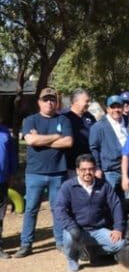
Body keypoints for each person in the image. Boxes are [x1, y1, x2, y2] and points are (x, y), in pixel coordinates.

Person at [15, 87, 73, 257]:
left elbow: (68, 142)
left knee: (58, 209)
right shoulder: (30, 120)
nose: (49, 102)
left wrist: (42, 140)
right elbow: (31, 139)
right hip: (35, 173)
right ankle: (26, 244)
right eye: (46, 99)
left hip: (58, 173)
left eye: (52, 99)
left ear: (56, 102)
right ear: (39, 102)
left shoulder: (64, 119)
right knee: (31, 209)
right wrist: (56, 135)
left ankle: (60, 242)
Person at [53, 154, 124, 272]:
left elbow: (116, 205)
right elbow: (59, 209)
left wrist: (118, 228)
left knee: (120, 244)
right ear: (77, 171)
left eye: (91, 169)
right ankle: (72, 258)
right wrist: (71, 227)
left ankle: (93, 250)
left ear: (95, 169)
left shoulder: (104, 185)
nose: (87, 172)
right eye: (83, 169)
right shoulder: (68, 186)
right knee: (70, 238)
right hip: (77, 230)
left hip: (98, 229)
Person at [89, 95, 129, 201]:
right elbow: (94, 148)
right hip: (110, 171)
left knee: (128, 201)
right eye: (113, 107)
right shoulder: (98, 127)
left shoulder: (128, 122)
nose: (116, 110)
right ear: (107, 109)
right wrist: (97, 167)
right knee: (111, 202)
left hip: (128, 169)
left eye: (119, 106)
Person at [62, 88, 96, 175]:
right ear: (76, 101)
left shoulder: (90, 117)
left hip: (87, 165)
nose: (89, 104)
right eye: (86, 101)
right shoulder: (64, 116)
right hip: (69, 165)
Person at [0, 120, 18, 259]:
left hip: (2, 180)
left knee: (0, 214)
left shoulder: (5, 131)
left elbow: (12, 154)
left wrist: (12, 173)